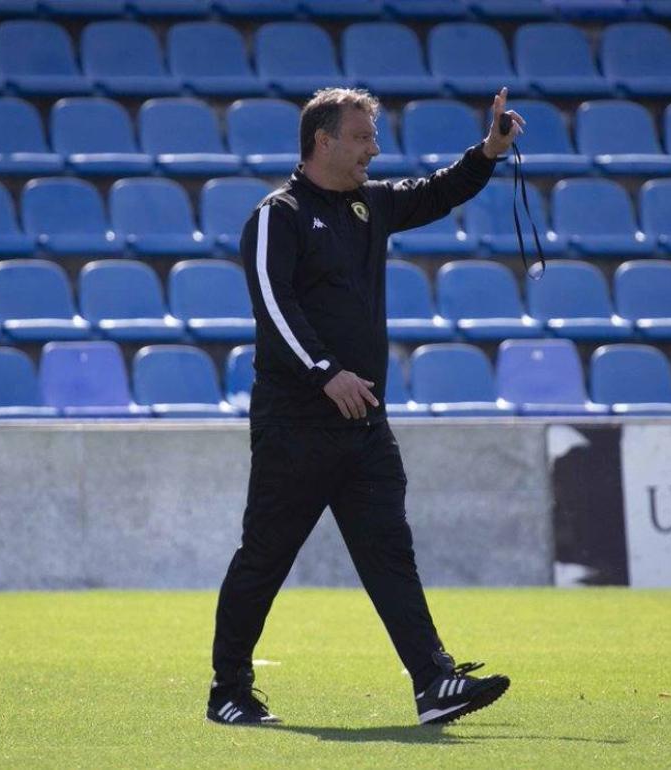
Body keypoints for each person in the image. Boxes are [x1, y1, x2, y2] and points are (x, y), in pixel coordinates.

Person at [206, 87, 526, 727]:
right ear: (323, 141)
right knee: (265, 557)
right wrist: (326, 373)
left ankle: (434, 681)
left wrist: (488, 151)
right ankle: (229, 690)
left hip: (363, 423)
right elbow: (274, 307)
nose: (373, 150)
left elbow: (436, 193)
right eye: (361, 138)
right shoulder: (279, 213)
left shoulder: (368, 205)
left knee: (390, 552)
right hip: (296, 424)